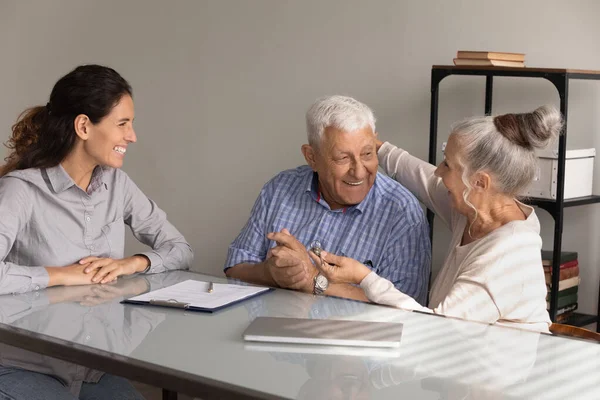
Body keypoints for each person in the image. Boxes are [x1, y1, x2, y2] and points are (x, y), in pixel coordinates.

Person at [0, 64, 193, 398]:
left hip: (95, 369)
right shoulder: (20, 190)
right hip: (25, 366)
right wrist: (61, 275)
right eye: (123, 124)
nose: (132, 136)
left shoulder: (118, 184)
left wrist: (132, 263)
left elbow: (180, 249)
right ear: (84, 126)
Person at [299, 105, 559, 332]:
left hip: (504, 383)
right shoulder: (475, 209)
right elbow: (418, 174)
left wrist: (363, 277)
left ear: (479, 182)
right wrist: (367, 145)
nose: (438, 172)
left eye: (448, 164)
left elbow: (435, 328)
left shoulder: (507, 253)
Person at [225, 95, 430, 304]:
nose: (359, 172)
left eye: (368, 154)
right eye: (343, 158)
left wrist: (312, 281)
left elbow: (407, 305)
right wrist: (271, 273)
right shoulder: (279, 190)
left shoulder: (401, 212)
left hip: (353, 335)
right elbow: (235, 268)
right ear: (311, 157)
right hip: (269, 329)